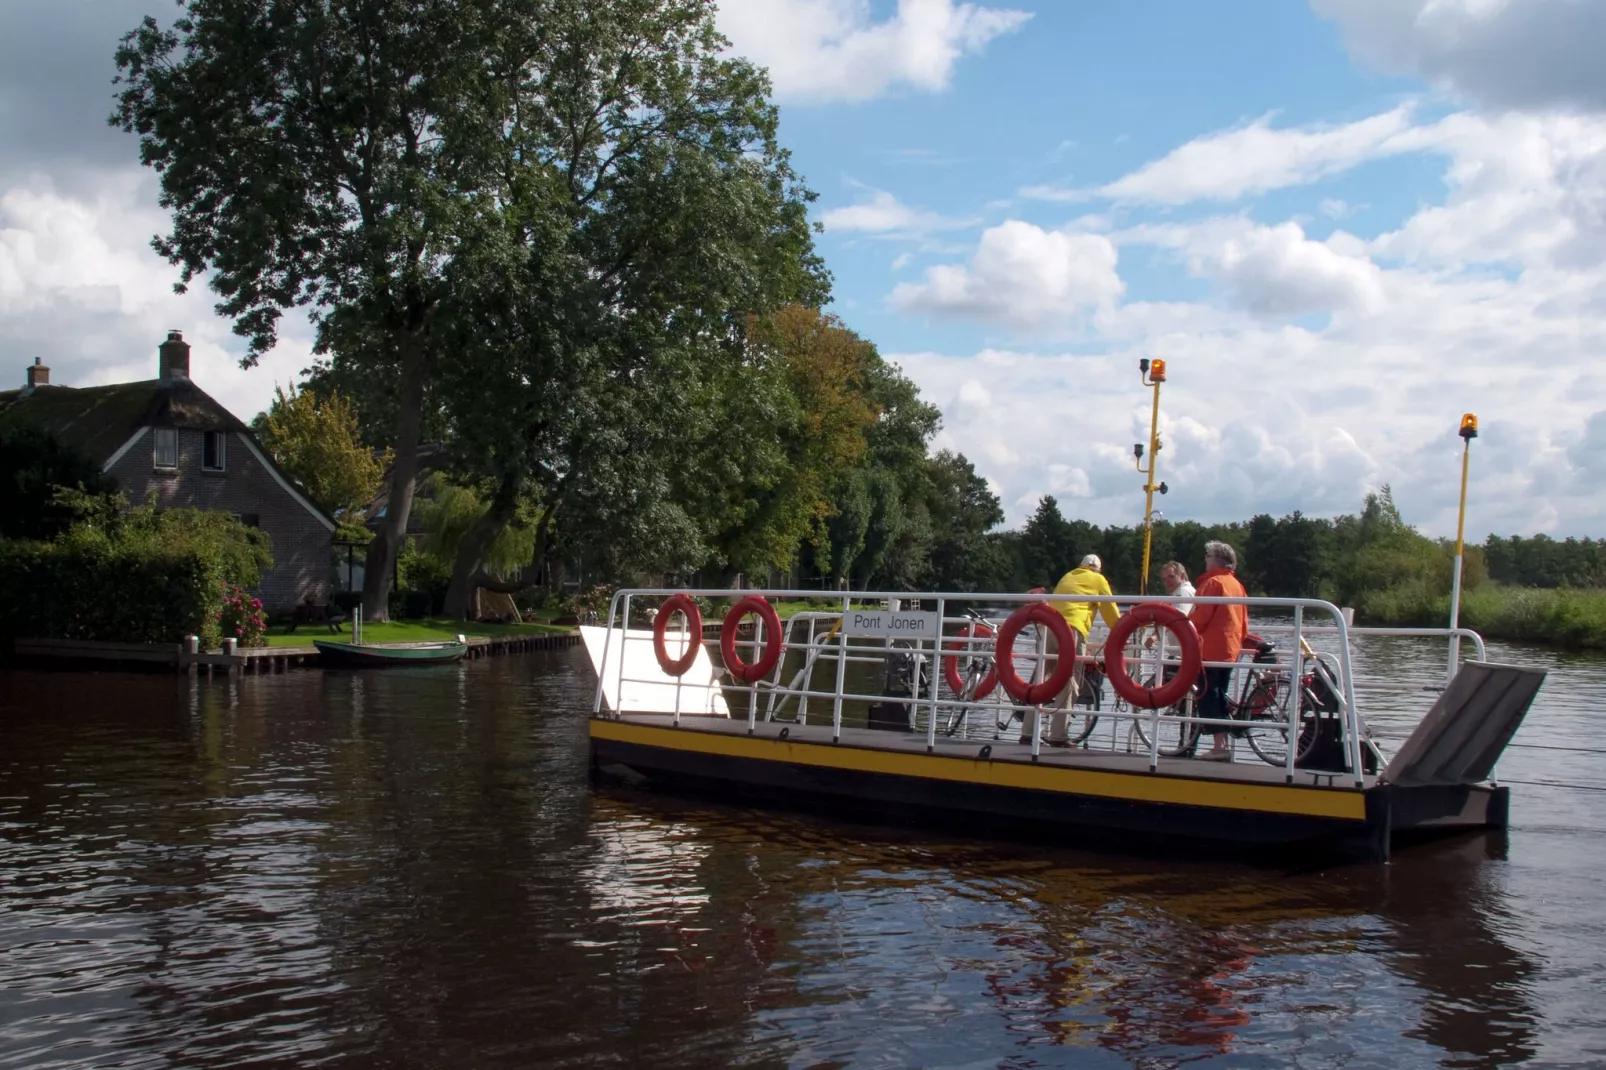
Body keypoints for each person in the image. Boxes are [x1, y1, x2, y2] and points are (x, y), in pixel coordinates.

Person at [1021, 554, 1121, 746]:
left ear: (1081, 566)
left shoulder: (1068, 576)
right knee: (1070, 681)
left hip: (1050, 627)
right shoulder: (1098, 580)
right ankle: (1058, 736)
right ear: (1097, 569)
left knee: (1041, 678)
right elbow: (1111, 613)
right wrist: (1123, 631)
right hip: (1072, 631)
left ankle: (1027, 732)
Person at [1189, 541, 1249, 760]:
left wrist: (1183, 624)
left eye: (1207, 555)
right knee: (1219, 693)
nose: (1205, 559)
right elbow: (1244, 621)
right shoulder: (1236, 584)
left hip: (1211, 648)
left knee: (1208, 695)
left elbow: (1201, 618)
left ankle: (1219, 747)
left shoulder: (1213, 583)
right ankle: (1222, 744)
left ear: (1216, 559)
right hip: (1230, 648)